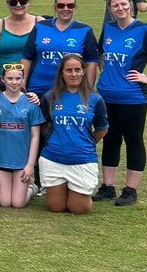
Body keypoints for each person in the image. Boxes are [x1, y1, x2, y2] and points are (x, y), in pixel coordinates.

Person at [92, 0, 147, 206]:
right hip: (107, 96)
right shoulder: (108, 28)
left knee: (133, 141)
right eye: (115, 5)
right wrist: (105, 72)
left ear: (132, 6)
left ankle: (130, 190)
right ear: (109, 9)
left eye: (124, 4)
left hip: (132, 98)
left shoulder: (144, 30)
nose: (120, 8)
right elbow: (100, 53)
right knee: (110, 139)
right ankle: (107, 187)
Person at [42, 54, 109, 216]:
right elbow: (42, 124)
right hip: (53, 157)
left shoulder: (95, 98)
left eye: (77, 70)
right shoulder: (50, 96)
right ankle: (61, 188)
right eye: (69, 70)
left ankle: (76, 191)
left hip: (82, 159)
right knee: (55, 207)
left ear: (83, 72)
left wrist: (87, 142)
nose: (74, 74)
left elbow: (102, 128)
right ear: (62, 73)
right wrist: (52, 140)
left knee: (78, 209)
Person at [0, 63, 44, 208]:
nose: (14, 82)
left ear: (23, 79)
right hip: (2, 161)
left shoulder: (31, 103)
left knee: (18, 203)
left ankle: (32, 188)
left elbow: (35, 136)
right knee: (5, 203)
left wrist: (30, 165)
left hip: (22, 162)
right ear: (3, 79)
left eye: (18, 78)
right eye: (10, 78)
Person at [22, 0, 99, 97]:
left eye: (70, 6)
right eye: (61, 6)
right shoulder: (40, 27)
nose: (65, 9)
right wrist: (22, 83)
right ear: (55, 7)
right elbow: (27, 57)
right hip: (38, 90)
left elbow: (91, 62)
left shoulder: (85, 30)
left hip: (70, 92)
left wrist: (88, 91)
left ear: (75, 8)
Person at [0, 0, 39, 92]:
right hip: (4, 80)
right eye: (13, 2)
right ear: (8, 4)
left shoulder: (39, 23)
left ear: (28, 2)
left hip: (31, 80)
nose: (18, 5)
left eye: (22, 1)